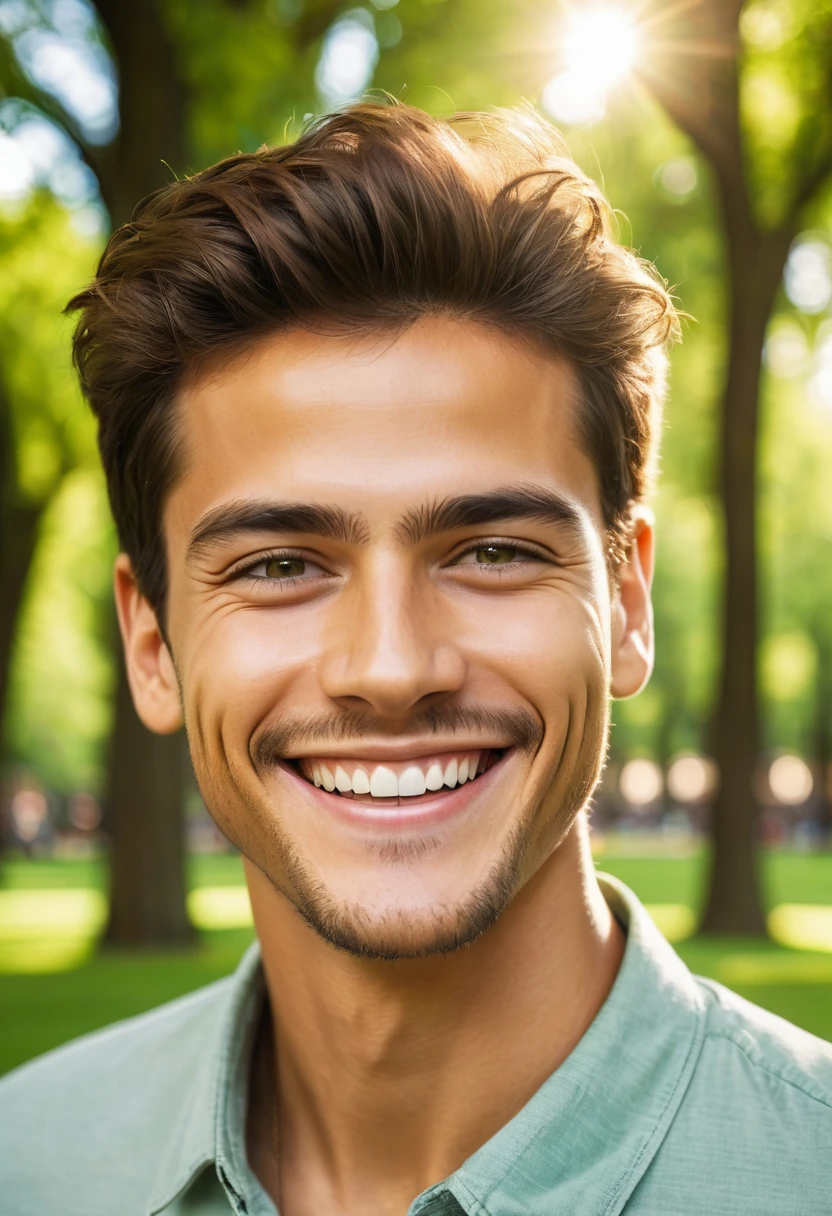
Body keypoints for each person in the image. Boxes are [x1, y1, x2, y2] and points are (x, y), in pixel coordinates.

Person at [1, 101, 830, 1216]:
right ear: (152, 642)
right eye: (282, 565)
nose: (390, 668)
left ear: (625, 599)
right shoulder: (29, 1160)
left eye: (490, 549)